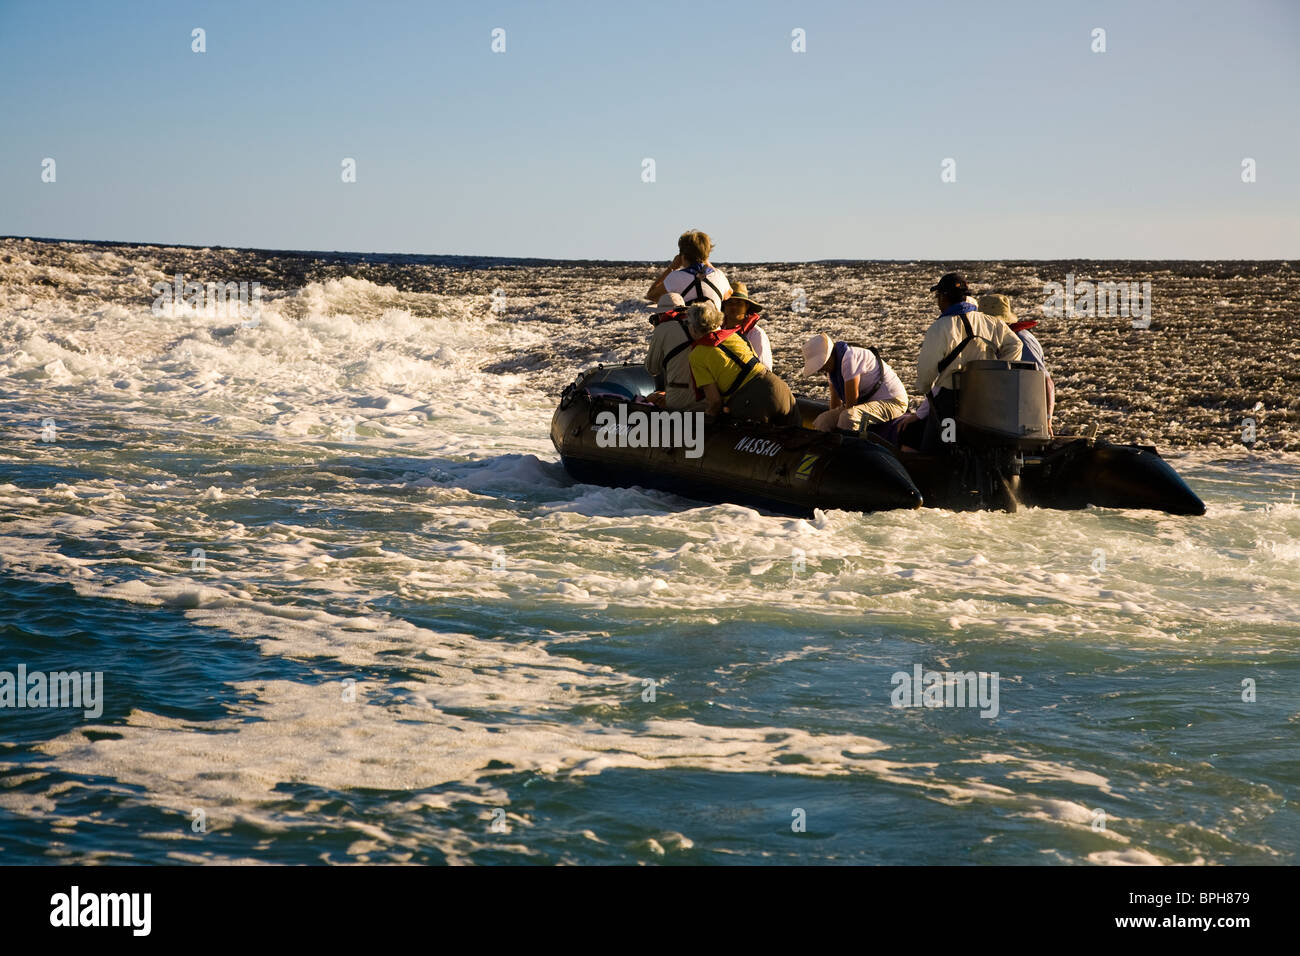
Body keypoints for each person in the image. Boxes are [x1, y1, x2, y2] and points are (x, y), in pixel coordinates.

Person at [902, 273, 1023, 452]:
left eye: (938, 297)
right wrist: (997, 375)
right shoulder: (990, 322)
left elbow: (926, 370)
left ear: (943, 297)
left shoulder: (939, 328)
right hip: (983, 399)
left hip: (950, 402)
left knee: (938, 448)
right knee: (981, 446)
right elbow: (1015, 344)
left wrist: (925, 388)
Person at [685, 302, 800, 426]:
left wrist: (707, 419)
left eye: (688, 323)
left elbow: (715, 401)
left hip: (751, 402)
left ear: (695, 327)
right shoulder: (735, 335)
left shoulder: (697, 355)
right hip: (778, 387)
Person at [801, 333, 907, 433]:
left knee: (849, 417)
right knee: (823, 420)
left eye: (821, 366)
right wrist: (830, 419)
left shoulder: (849, 358)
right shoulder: (831, 370)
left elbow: (852, 402)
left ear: (829, 357)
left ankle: (846, 450)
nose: (820, 370)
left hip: (893, 402)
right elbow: (835, 402)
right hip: (866, 403)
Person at [978, 293, 1055, 427]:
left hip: (1023, 415)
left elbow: (1046, 381)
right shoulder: (995, 339)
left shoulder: (1022, 341)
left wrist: (1047, 420)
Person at [646, 230, 732, 310]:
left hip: (689, 325)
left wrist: (671, 268)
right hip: (714, 325)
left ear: (682, 256)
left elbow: (651, 295)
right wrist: (708, 264)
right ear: (707, 255)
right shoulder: (719, 276)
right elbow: (728, 294)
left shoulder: (674, 277)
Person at [644, 292, 702, 410]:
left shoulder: (663, 329)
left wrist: (659, 334)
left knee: (651, 397)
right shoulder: (703, 325)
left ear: (660, 315)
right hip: (707, 397)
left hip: (679, 400)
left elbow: (652, 369)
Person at [721, 281, 772, 369]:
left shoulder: (756, 334)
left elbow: (765, 370)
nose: (734, 307)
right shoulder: (717, 332)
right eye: (730, 303)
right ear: (724, 306)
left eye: (739, 303)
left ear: (746, 306)